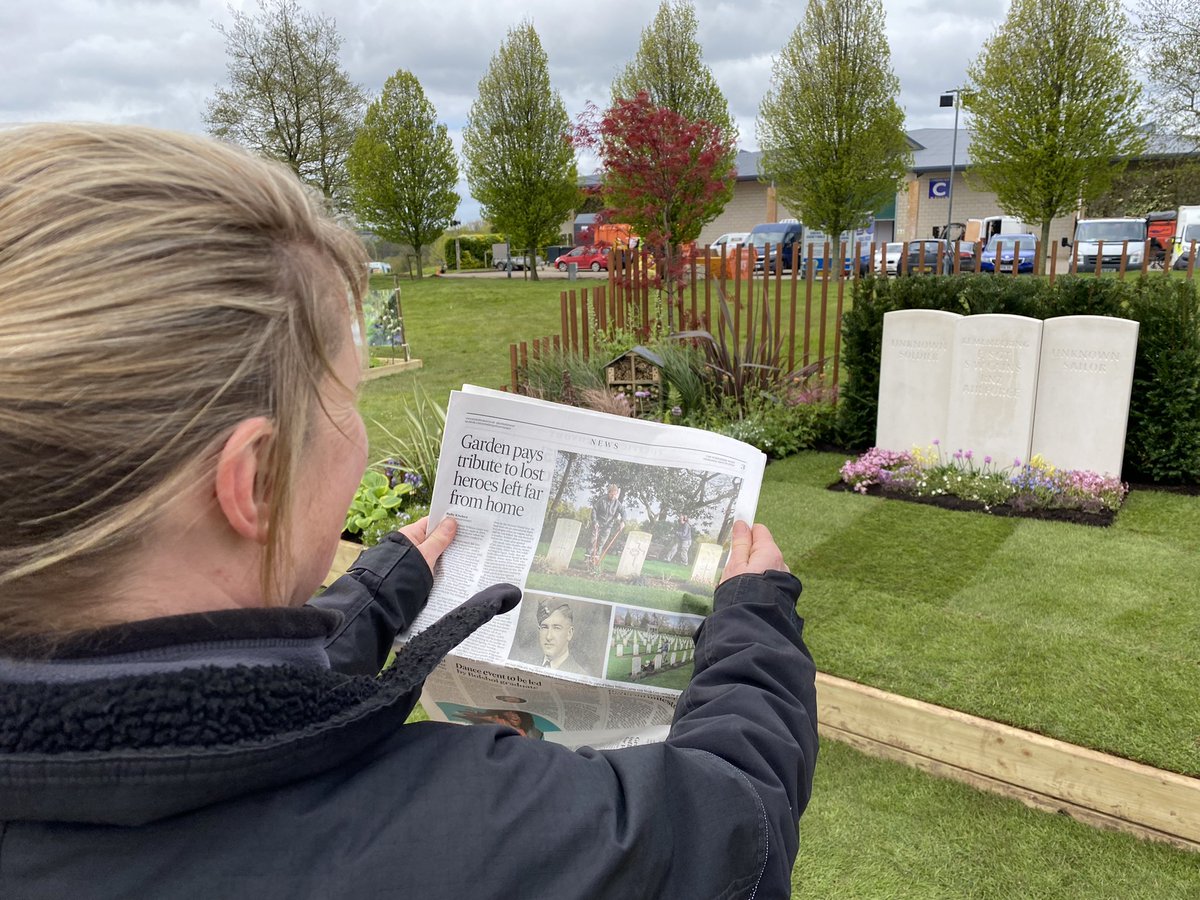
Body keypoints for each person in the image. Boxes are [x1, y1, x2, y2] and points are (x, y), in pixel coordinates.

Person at [0, 123, 818, 899]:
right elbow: (734, 822)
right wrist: (754, 624)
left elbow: (201, 707)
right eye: (344, 397)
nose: (355, 432)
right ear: (255, 479)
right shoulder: (469, 827)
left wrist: (368, 600)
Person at [536, 599, 587, 675]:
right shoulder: (529, 663)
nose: (549, 637)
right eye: (544, 627)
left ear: (569, 633)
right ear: (539, 630)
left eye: (556, 628)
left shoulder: (580, 674)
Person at [586, 482, 625, 565]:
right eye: (612, 495)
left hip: (608, 527)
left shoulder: (617, 503)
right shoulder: (602, 500)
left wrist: (622, 522)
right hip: (598, 524)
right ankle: (587, 558)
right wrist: (595, 521)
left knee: (601, 543)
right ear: (609, 492)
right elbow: (594, 510)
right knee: (592, 541)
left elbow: (623, 513)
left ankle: (595, 560)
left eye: (615, 495)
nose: (613, 497)